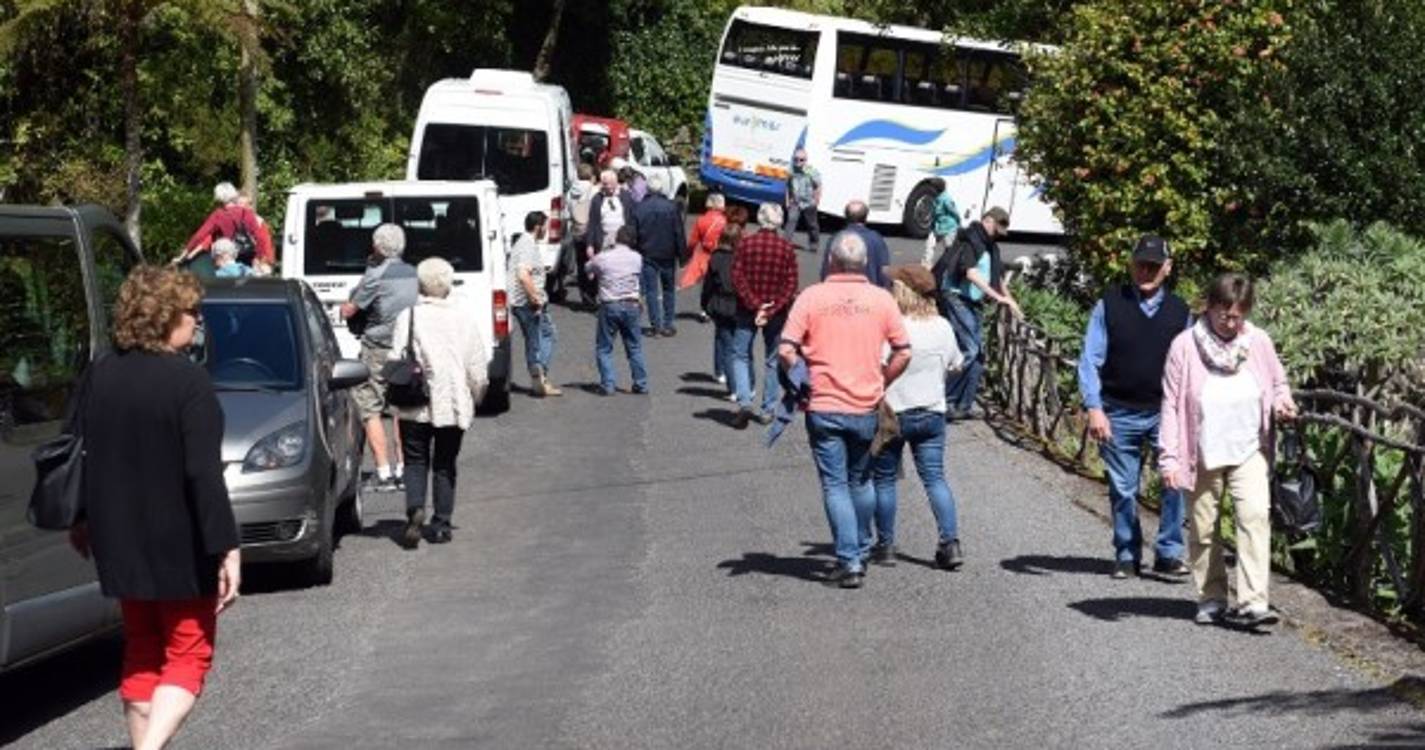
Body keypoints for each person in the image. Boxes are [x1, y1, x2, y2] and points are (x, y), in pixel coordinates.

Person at [72, 265, 241, 750]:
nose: (197, 322)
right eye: (193, 312)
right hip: (179, 542)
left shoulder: (100, 372)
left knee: (143, 650)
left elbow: (76, 451)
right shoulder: (189, 382)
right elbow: (203, 475)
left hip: (116, 536)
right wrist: (227, 548)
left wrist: (81, 517)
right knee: (189, 652)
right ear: (167, 316)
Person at [1160, 273, 1297, 627]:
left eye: (1237, 315)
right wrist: (1170, 458)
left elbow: (1278, 382)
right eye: (1224, 313)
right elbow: (1172, 405)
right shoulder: (1185, 346)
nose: (1230, 321)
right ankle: (1212, 596)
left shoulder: (1259, 342)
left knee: (1254, 517)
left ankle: (1253, 601)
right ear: (1210, 307)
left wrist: (1283, 402)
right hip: (1201, 450)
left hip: (1249, 447)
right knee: (1204, 529)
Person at [779, 232, 912, 588]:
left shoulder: (812, 297)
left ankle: (849, 559)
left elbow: (786, 348)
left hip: (824, 403)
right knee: (861, 479)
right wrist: (882, 379)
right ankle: (864, 548)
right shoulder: (882, 300)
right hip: (865, 403)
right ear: (865, 262)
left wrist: (801, 378)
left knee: (835, 485)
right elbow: (904, 350)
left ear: (832, 261)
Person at [1078, 235, 1192, 579]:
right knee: (1123, 489)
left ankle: (1169, 553)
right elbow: (1089, 360)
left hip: (1165, 413)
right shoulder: (1109, 305)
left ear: (1167, 269)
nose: (1146, 271)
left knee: (1174, 484)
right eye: (1141, 263)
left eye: (1154, 266)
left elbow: (1189, 368)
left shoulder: (1181, 312)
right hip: (1118, 410)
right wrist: (1094, 407)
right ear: (1131, 264)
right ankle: (1127, 552)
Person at [388, 257, 490, 548]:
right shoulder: (464, 318)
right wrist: (477, 394)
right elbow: (477, 367)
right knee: (445, 463)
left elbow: (396, 359)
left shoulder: (407, 317)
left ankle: (415, 509)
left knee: (415, 460)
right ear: (448, 284)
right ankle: (442, 524)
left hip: (415, 402)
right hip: (452, 400)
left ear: (420, 284)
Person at [870, 265, 967, 570]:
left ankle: (885, 546)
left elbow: (878, 363)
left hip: (894, 413)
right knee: (935, 478)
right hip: (932, 412)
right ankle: (950, 544)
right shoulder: (942, 326)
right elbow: (957, 364)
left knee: (884, 480)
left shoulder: (893, 326)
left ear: (902, 291)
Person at [340, 223, 419, 490]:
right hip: (406, 348)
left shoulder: (375, 275)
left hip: (377, 348)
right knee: (400, 407)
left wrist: (344, 306)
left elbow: (351, 310)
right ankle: (404, 468)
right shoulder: (413, 273)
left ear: (376, 246)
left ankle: (383, 472)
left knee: (370, 406)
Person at [933, 206, 1022, 420]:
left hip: (972, 301)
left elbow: (996, 278)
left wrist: (1011, 300)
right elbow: (971, 273)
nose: (997, 236)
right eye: (996, 229)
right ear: (987, 220)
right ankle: (943, 401)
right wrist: (997, 297)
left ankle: (964, 405)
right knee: (970, 349)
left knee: (979, 354)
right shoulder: (971, 239)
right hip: (955, 295)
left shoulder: (991, 246)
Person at [731, 202, 799, 428]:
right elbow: (791, 285)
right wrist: (770, 308)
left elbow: (737, 278)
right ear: (779, 221)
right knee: (772, 359)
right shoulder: (786, 248)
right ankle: (768, 408)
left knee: (741, 355)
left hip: (746, 308)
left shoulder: (745, 244)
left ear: (759, 219)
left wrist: (755, 304)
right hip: (776, 312)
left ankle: (744, 401)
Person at [586, 225, 650, 395]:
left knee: (604, 347)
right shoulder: (637, 258)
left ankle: (608, 384)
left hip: (610, 304)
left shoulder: (604, 258)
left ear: (616, 239)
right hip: (631, 303)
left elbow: (588, 268)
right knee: (634, 346)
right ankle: (641, 382)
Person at [509, 211, 562, 397]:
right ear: (538, 226)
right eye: (545, 226)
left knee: (543, 336)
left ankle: (540, 374)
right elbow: (523, 275)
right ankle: (539, 377)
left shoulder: (524, 243)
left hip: (525, 301)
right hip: (527, 302)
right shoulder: (527, 245)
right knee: (537, 340)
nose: (546, 230)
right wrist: (535, 299)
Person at [633, 174, 686, 337]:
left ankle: (655, 324)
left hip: (647, 253)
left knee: (651, 291)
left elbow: (634, 234)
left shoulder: (640, 207)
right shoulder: (671, 207)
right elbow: (679, 233)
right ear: (662, 188)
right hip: (668, 254)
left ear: (648, 188)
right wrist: (682, 255)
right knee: (668, 289)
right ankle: (668, 324)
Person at [178, 181, 272, 269]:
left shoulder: (218, 215)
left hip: (228, 258)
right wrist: (259, 257)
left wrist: (185, 252)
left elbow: (200, 235)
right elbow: (260, 238)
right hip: (248, 255)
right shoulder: (247, 213)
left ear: (219, 197)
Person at [700, 222, 743, 400]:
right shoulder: (741, 257)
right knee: (736, 348)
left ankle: (724, 376)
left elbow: (708, 285)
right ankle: (736, 386)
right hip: (739, 305)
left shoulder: (716, 258)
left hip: (720, 304)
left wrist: (704, 305)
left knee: (724, 341)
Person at [819, 199, 891, 288]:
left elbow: (826, 269)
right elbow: (884, 271)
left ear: (846, 216)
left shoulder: (836, 238)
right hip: (869, 291)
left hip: (838, 290)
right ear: (865, 217)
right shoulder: (876, 239)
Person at [679, 191, 728, 308]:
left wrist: (687, 255)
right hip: (721, 254)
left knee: (706, 283)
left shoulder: (701, 220)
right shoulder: (725, 221)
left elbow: (693, 241)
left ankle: (704, 309)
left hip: (705, 255)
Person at [586, 168, 637, 257]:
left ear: (616, 182)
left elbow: (631, 218)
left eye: (612, 183)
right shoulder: (597, 199)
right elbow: (592, 223)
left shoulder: (625, 196)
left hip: (622, 240)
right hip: (604, 240)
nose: (609, 187)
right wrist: (589, 245)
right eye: (606, 184)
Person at [569, 163, 599, 306]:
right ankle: (592, 292)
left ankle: (583, 293)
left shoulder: (571, 191)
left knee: (580, 263)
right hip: (590, 229)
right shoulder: (593, 190)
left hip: (576, 228)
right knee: (593, 260)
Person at [783, 148, 821, 249]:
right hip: (795, 201)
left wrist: (817, 200)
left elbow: (818, 186)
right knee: (791, 220)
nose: (798, 162)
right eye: (796, 159)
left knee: (812, 224)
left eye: (801, 160)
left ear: (805, 160)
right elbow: (788, 185)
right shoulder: (791, 170)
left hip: (809, 202)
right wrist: (787, 200)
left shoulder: (811, 171)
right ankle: (785, 243)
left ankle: (814, 243)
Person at [236, 191, 277, 275]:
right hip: (236, 257)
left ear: (249, 207)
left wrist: (262, 260)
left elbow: (266, 245)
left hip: (255, 258)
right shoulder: (230, 220)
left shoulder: (259, 222)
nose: (240, 207)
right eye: (238, 204)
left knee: (262, 271)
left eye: (244, 204)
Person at [923, 178, 960, 268]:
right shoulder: (937, 197)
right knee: (929, 245)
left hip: (948, 227)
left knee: (949, 248)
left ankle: (951, 266)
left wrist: (958, 222)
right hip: (937, 227)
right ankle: (926, 266)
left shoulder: (946, 199)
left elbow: (954, 212)